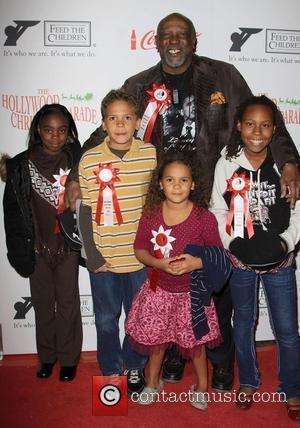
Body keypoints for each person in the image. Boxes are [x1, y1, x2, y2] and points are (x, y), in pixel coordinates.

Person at [66, 12, 300, 391]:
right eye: (166, 35)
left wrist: (289, 161)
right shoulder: (140, 85)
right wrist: (76, 176)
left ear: (194, 40)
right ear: (156, 42)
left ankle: (221, 361)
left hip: (214, 199)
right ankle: (174, 353)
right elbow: (104, 132)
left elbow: (263, 119)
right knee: (166, 280)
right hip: (161, 202)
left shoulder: (224, 76)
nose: (174, 41)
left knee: (213, 283)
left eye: (182, 34)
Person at [210, 95, 300, 421]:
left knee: (287, 330)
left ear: (274, 129)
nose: (257, 131)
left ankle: (292, 387)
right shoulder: (226, 163)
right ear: (238, 126)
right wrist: (231, 244)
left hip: (280, 264)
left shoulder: (286, 166)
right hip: (241, 263)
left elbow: (298, 210)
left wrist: (285, 243)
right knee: (243, 323)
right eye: (250, 124)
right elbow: (218, 209)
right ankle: (248, 380)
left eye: (264, 125)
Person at [126, 151, 223, 409]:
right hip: (159, 292)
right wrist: (157, 263)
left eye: (183, 180)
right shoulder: (150, 215)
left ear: (193, 184)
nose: (177, 186)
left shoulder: (204, 218)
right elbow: (139, 249)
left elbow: (217, 254)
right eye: (170, 180)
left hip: (193, 296)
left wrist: (195, 263)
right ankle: (152, 382)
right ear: (159, 183)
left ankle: (202, 387)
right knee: (157, 342)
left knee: (197, 346)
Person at [78, 89, 156, 395]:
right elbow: (84, 213)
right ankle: (111, 369)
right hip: (105, 260)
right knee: (107, 319)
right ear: (103, 123)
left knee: (138, 319)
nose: (120, 124)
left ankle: (134, 366)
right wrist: (92, 256)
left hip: (140, 258)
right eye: (113, 118)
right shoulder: (90, 159)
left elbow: (156, 203)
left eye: (126, 118)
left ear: (137, 122)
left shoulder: (149, 154)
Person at [3, 104, 83, 382]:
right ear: (38, 130)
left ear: (69, 133)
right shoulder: (19, 166)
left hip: (68, 247)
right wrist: (17, 252)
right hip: (36, 248)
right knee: (42, 303)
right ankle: (47, 357)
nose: (55, 136)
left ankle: (70, 359)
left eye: (62, 130)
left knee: (69, 303)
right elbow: (12, 213)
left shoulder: (76, 159)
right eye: (48, 130)